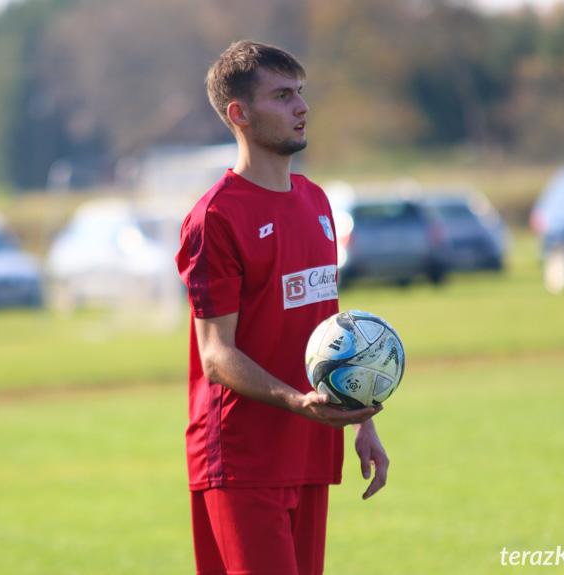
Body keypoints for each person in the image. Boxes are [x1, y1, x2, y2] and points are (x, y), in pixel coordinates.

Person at [175, 40, 389, 575]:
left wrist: (360, 414)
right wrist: (298, 402)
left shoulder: (316, 201)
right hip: (243, 460)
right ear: (239, 114)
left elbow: (326, 332)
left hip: (309, 450)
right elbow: (215, 354)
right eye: (283, 95)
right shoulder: (215, 219)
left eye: (301, 93)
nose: (302, 106)